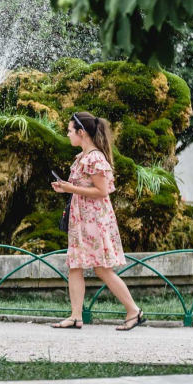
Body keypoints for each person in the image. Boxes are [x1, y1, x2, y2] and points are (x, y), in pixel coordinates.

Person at [51, 111, 146, 331]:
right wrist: (65, 187)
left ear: (81, 132)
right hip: (82, 217)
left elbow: (102, 191)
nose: (67, 134)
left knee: (102, 268)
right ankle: (76, 316)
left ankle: (134, 311)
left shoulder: (95, 157)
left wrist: (69, 188)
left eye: (69, 130)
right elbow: (85, 188)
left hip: (94, 218)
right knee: (75, 265)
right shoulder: (83, 157)